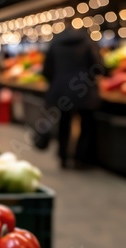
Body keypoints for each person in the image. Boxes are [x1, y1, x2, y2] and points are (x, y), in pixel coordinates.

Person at [42, 25, 105, 169]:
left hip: (61, 90)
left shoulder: (56, 43)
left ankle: (63, 157)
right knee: (86, 125)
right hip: (84, 90)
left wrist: (56, 82)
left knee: (64, 124)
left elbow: (46, 70)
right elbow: (98, 66)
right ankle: (80, 159)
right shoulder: (88, 42)